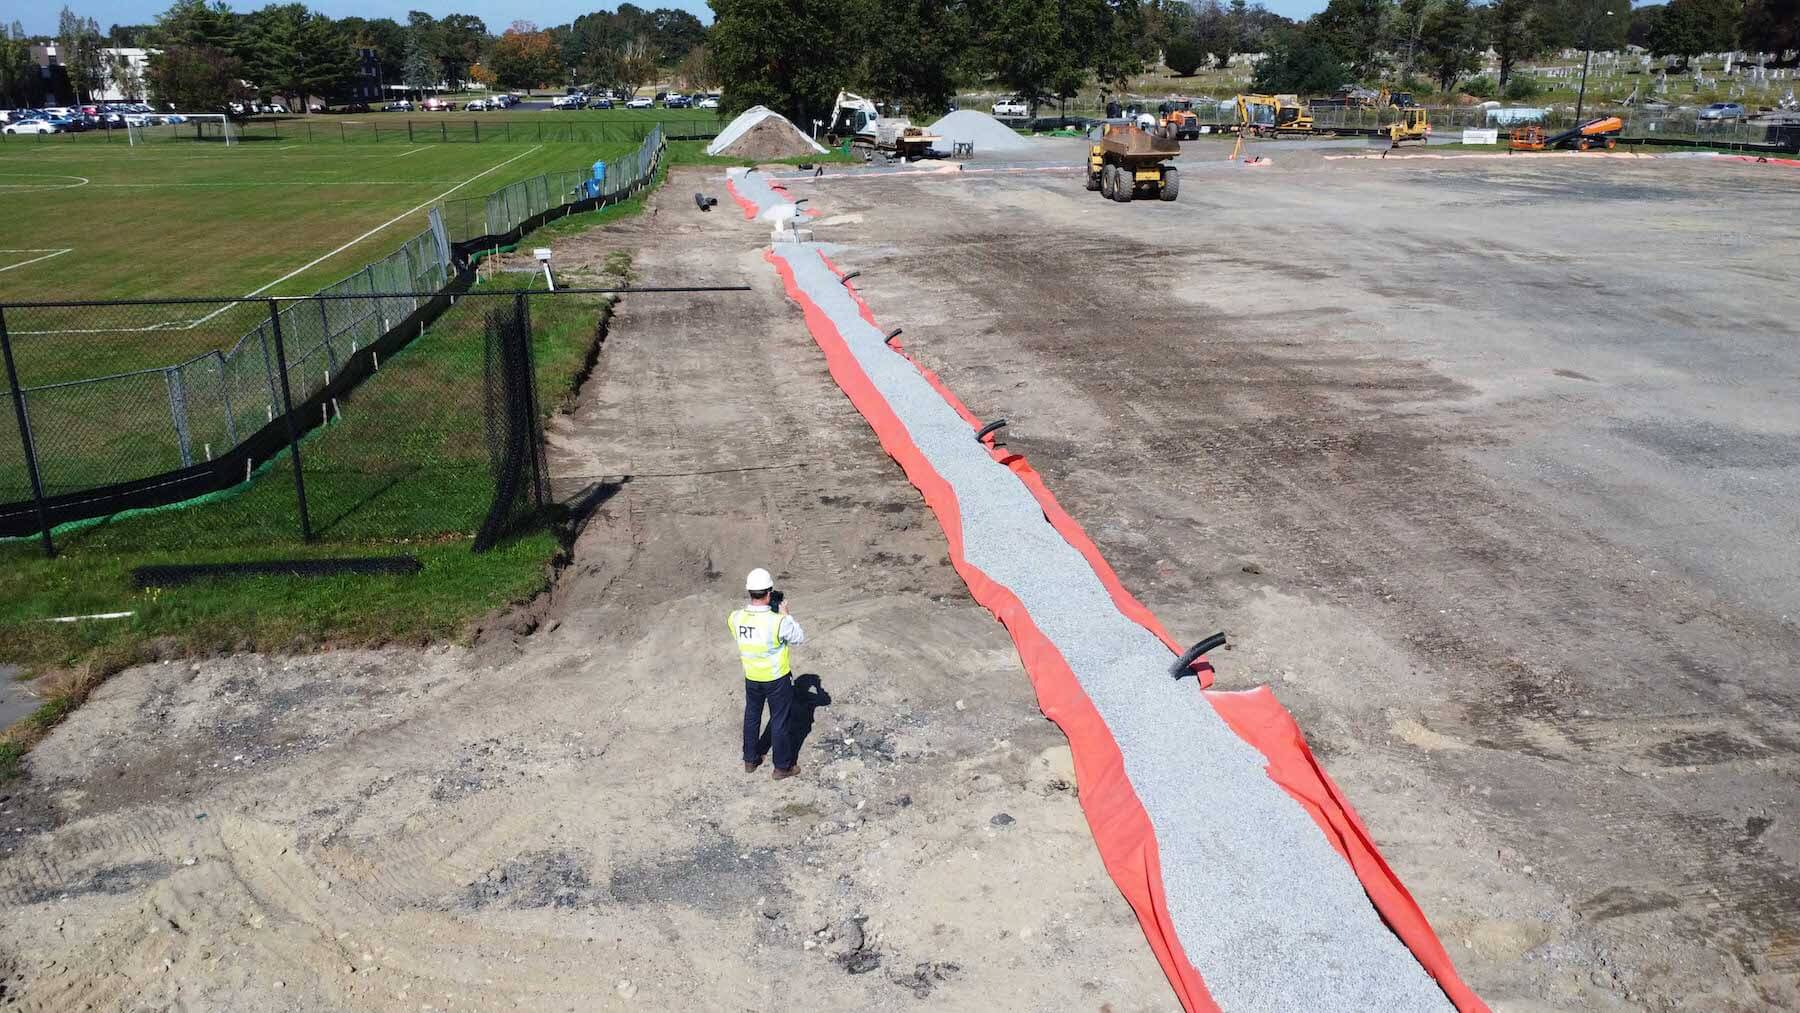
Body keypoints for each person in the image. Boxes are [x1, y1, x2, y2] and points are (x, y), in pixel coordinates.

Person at [729, 568, 806, 779]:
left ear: (749, 592)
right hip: (776, 679)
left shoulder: (735, 618)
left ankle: (750, 759)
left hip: (752, 677)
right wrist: (786, 615)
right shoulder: (778, 621)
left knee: (751, 716)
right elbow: (799, 638)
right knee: (779, 721)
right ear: (769, 593)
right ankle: (782, 767)